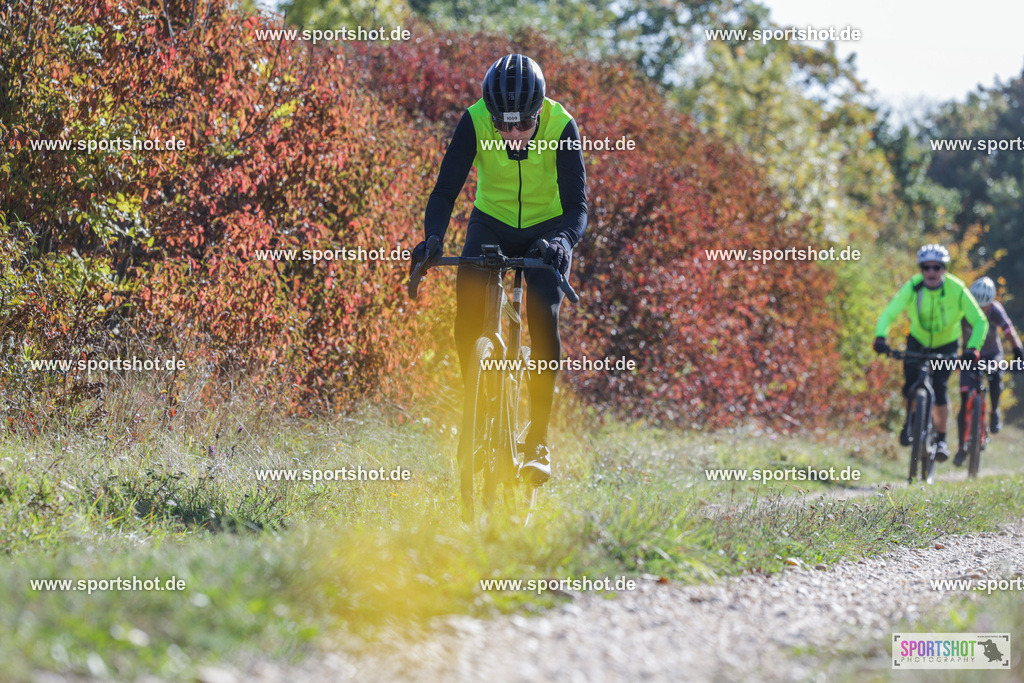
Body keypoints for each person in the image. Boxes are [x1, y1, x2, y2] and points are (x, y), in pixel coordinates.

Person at [410, 54, 588, 486]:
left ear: (538, 112)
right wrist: (434, 237)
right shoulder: (474, 122)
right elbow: (445, 190)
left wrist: (562, 243)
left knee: (543, 316)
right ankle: (475, 414)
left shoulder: (561, 126)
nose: (511, 134)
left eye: (522, 125)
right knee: (466, 312)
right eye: (502, 124)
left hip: (547, 230)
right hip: (491, 221)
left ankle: (538, 441)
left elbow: (578, 208)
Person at [873, 244, 989, 461]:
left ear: (944, 269)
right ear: (921, 269)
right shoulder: (913, 287)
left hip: (947, 344)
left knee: (939, 386)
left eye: (937, 267)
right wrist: (880, 336)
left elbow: (980, 321)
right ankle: (912, 420)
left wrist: (973, 347)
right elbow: (889, 313)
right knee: (909, 386)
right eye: (926, 268)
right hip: (917, 341)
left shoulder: (957, 289)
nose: (931, 272)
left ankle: (942, 439)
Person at [954, 276, 1024, 466]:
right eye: (978, 305)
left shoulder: (996, 309)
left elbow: (1010, 332)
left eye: (985, 306)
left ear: (991, 302)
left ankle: (994, 411)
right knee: (964, 398)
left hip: (993, 353)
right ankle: (961, 446)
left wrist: (1019, 354)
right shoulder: (963, 308)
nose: (981, 310)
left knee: (995, 376)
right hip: (969, 354)